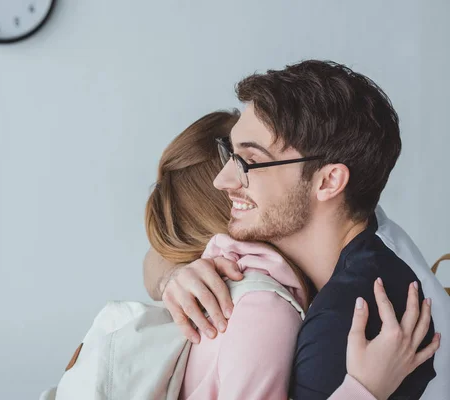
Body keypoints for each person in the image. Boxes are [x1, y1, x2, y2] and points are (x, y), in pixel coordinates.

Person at [144, 110, 440, 399]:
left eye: (249, 161)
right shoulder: (261, 303)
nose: (228, 178)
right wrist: (171, 276)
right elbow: (153, 260)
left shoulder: (347, 285)